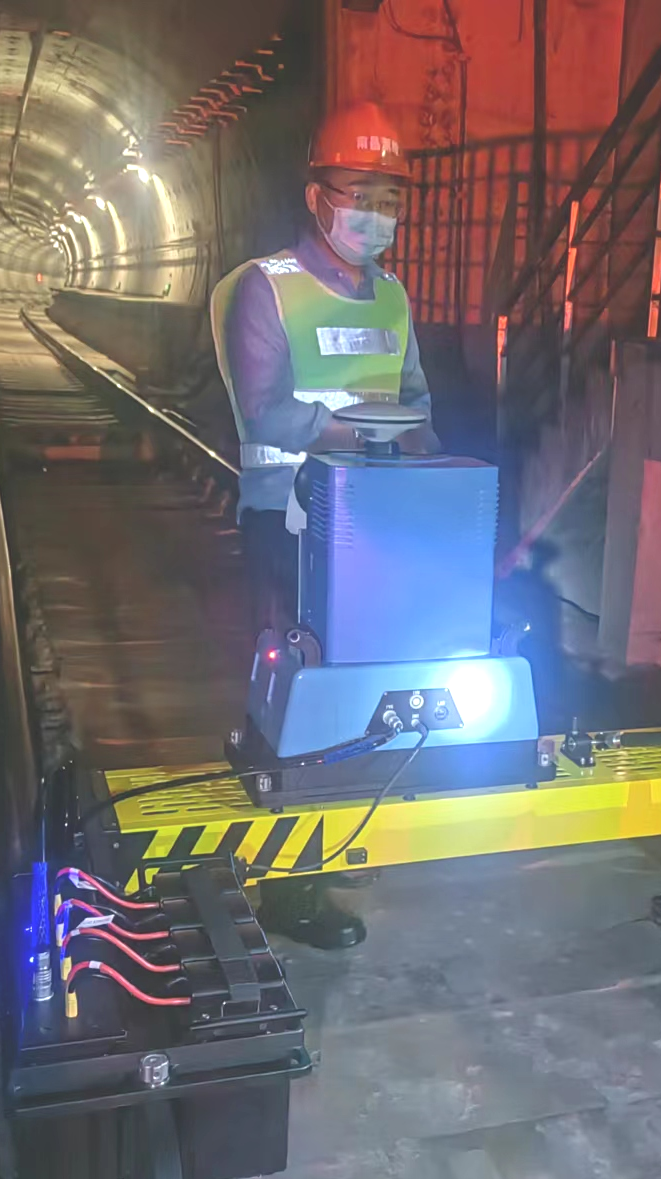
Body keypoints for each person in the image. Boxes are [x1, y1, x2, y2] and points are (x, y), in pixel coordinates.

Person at [210, 101, 439, 949]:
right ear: (316, 197)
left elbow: (417, 403)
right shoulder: (267, 288)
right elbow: (264, 410)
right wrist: (356, 432)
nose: (375, 214)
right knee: (299, 698)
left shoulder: (393, 296)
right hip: (290, 522)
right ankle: (288, 889)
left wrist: (438, 481)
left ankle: (336, 842)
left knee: (363, 690)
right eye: (358, 193)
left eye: (390, 197)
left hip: (373, 523)